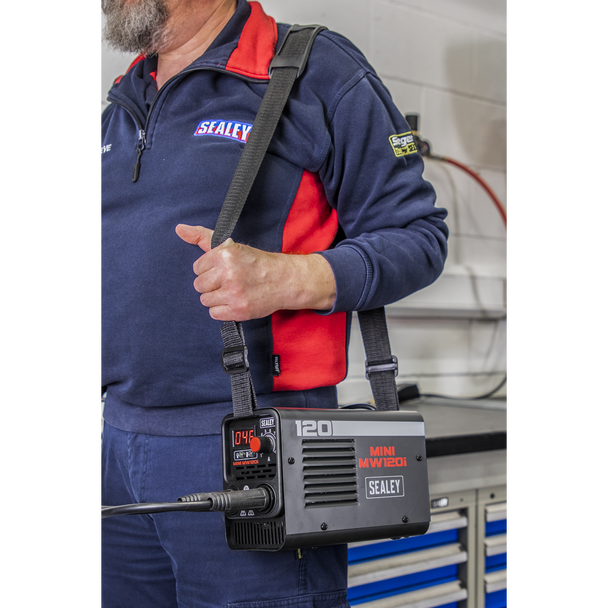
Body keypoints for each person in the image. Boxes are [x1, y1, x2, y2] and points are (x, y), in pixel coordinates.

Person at [99, 1, 449, 606]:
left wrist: (289, 278)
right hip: (121, 444)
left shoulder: (314, 70)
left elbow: (418, 237)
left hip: (256, 442)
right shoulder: (124, 101)